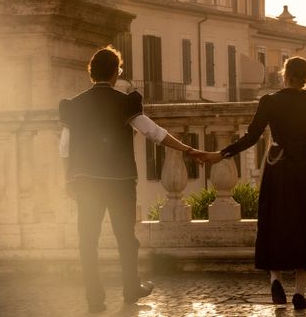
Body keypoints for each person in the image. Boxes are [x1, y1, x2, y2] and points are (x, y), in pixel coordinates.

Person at [59, 46, 201, 313]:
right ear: (115, 73)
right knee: (126, 237)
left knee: (87, 240)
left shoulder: (73, 105)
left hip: (86, 181)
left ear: (92, 74)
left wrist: (68, 180)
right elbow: (154, 132)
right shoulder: (125, 102)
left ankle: (94, 297)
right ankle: (130, 286)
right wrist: (189, 150)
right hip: (120, 180)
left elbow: (64, 147)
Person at [199, 56, 306, 310]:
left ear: (284, 75)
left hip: (278, 170)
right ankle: (299, 292)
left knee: (274, 226)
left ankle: (275, 279)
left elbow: (251, 137)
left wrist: (221, 154)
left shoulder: (270, 102)